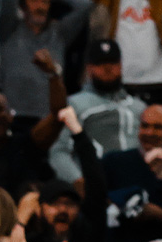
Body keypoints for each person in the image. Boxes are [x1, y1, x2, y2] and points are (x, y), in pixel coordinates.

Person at [48, 38, 143, 183]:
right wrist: (78, 181)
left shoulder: (139, 107)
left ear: (121, 65)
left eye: (113, 62)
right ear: (89, 68)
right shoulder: (75, 104)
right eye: (100, 63)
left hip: (136, 184)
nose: (107, 68)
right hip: (96, 185)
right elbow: (59, 152)